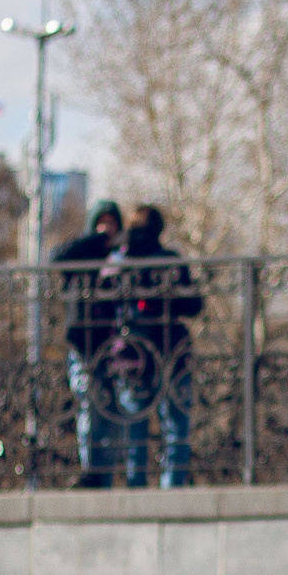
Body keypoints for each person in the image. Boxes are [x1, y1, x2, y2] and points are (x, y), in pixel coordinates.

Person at [110, 204, 205, 489]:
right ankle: (172, 486)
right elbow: (193, 304)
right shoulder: (170, 260)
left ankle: (134, 485)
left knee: (134, 422)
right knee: (175, 423)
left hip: (131, 352)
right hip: (171, 349)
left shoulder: (117, 260)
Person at [53, 201, 127, 486]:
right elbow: (56, 258)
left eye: (112, 223)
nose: (106, 228)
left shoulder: (121, 257)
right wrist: (95, 241)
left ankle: (103, 476)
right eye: (101, 222)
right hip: (83, 343)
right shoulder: (82, 253)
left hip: (117, 344)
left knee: (113, 413)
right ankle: (91, 472)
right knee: (88, 404)